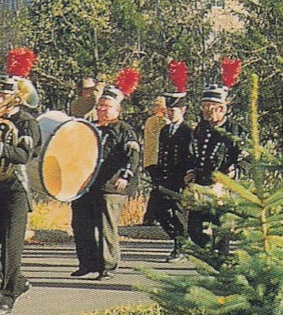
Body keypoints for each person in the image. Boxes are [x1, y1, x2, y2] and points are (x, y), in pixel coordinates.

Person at [0, 71, 39, 315]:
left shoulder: (26, 122)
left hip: (15, 189)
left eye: (5, 94)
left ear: (16, 97)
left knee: (12, 245)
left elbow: (24, 155)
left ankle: (6, 296)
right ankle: (17, 282)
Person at [70, 78, 140, 280]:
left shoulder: (124, 130)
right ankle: (87, 263)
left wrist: (125, 176)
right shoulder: (89, 127)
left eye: (107, 107)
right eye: (100, 106)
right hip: (85, 185)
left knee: (106, 227)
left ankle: (108, 266)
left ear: (117, 110)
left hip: (110, 186)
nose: (102, 109)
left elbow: (132, 155)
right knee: (81, 224)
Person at [183, 84, 242, 251]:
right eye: (204, 107)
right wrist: (191, 171)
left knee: (220, 227)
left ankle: (221, 261)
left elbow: (246, 158)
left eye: (210, 107)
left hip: (222, 186)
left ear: (221, 109)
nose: (206, 110)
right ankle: (208, 253)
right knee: (194, 229)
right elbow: (192, 153)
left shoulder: (234, 129)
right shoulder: (201, 128)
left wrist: (234, 171)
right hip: (200, 185)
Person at [147, 92, 194, 262]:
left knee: (178, 213)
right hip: (165, 177)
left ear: (183, 110)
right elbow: (162, 155)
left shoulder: (188, 131)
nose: (170, 113)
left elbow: (190, 156)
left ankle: (180, 248)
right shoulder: (165, 130)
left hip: (180, 178)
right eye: (168, 109)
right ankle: (180, 239)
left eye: (174, 110)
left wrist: (189, 176)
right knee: (158, 211)